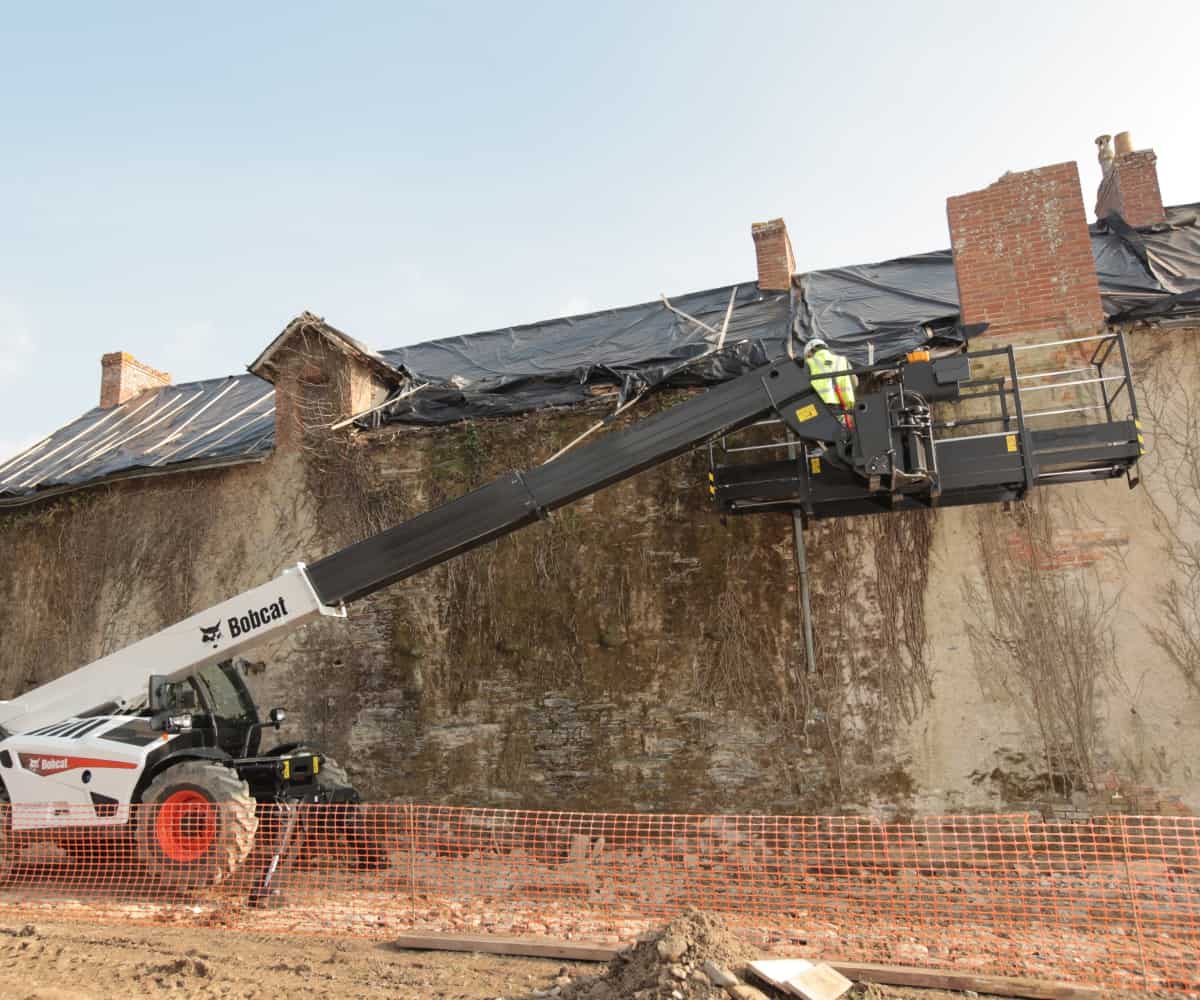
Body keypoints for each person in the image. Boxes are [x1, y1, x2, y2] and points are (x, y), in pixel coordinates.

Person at [803, 338, 857, 418]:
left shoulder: (809, 362)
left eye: (808, 356)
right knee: (841, 425)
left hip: (818, 403)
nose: (808, 357)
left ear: (810, 351)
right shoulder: (842, 360)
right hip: (842, 403)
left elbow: (804, 385)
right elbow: (854, 382)